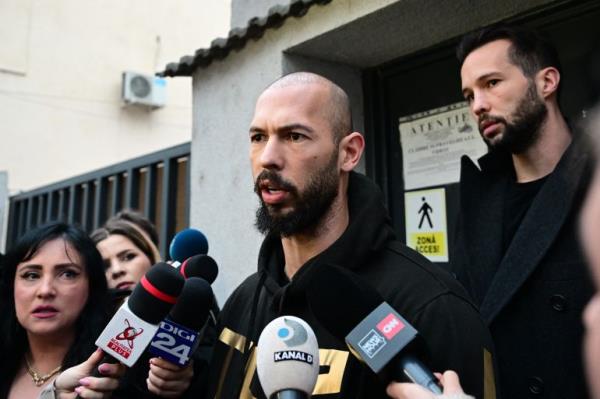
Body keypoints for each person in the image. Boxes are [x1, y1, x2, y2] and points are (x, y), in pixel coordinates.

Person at [202, 72, 496, 399]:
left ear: (349, 153)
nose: (268, 157)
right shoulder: (243, 302)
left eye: (295, 136)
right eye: (258, 137)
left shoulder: (432, 307)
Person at [451, 24, 594, 397]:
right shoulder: (476, 199)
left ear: (547, 82)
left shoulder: (595, 185)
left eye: (492, 83)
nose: (478, 105)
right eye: (469, 95)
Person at [91, 215, 205, 398]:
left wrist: (185, 377)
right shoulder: (86, 326)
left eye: (128, 256)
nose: (117, 269)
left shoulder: (190, 306)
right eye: (105, 266)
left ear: (152, 258)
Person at [0, 222, 114, 398]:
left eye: (67, 274)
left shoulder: (111, 376)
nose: (45, 290)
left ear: (91, 286)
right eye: (31, 275)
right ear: (11, 286)